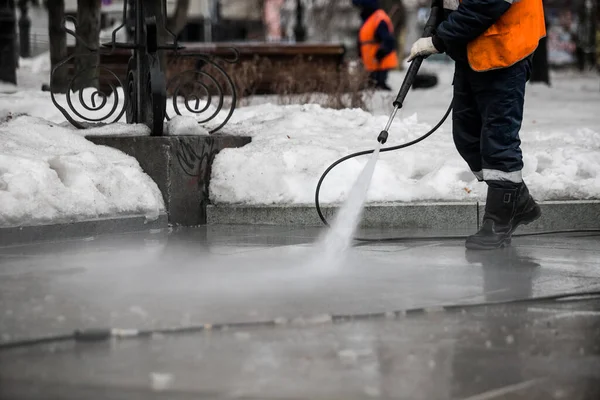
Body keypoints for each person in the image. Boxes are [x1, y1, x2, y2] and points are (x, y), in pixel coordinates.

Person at [406, 0, 546, 250]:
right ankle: (518, 201)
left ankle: (499, 220)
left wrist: (439, 40)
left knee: (498, 140)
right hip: (473, 48)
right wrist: (437, 24)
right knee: (467, 137)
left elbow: (487, 4)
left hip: (506, 47)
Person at [352, 0, 399, 90]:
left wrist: (381, 53)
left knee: (379, 89)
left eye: (361, 7)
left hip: (380, 65)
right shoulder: (369, 19)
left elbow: (389, 41)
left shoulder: (378, 18)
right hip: (370, 65)